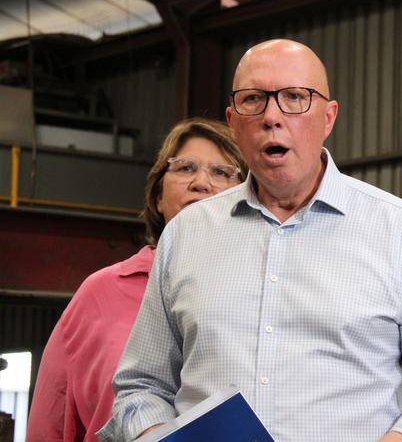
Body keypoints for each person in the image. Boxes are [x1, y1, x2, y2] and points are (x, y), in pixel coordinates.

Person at [100, 39, 402, 442]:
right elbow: (140, 387)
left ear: (328, 117)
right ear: (233, 121)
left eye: (295, 98)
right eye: (253, 100)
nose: (272, 117)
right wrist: (160, 436)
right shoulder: (187, 235)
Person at [26, 118, 247, 442]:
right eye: (185, 168)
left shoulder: (261, 291)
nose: (201, 182)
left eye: (222, 172)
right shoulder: (100, 293)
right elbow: (52, 419)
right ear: (158, 197)